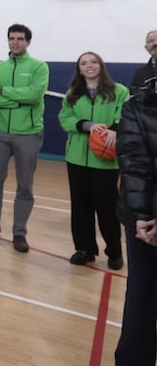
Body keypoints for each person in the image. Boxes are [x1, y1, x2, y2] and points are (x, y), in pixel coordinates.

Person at [0, 23, 49, 253]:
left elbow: (35, 95)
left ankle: (19, 232)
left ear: (28, 42)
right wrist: (20, 99)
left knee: (24, 185)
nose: (15, 42)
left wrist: (5, 92)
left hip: (28, 134)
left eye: (19, 38)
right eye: (11, 38)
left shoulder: (39, 67)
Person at [109, 76, 157, 366]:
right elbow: (134, 162)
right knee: (140, 291)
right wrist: (142, 215)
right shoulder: (137, 105)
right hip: (145, 217)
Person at [57, 52, 127, 269]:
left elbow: (125, 115)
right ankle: (84, 249)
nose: (89, 66)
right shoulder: (72, 94)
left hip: (106, 159)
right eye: (84, 63)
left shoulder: (119, 91)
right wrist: (87, 125)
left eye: (93, 62)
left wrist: (115, 129)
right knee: (80, 206)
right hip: (77, 158)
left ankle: (114, 252)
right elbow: (64, 118)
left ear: (101, 65)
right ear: (79, 69)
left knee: (107, 207)